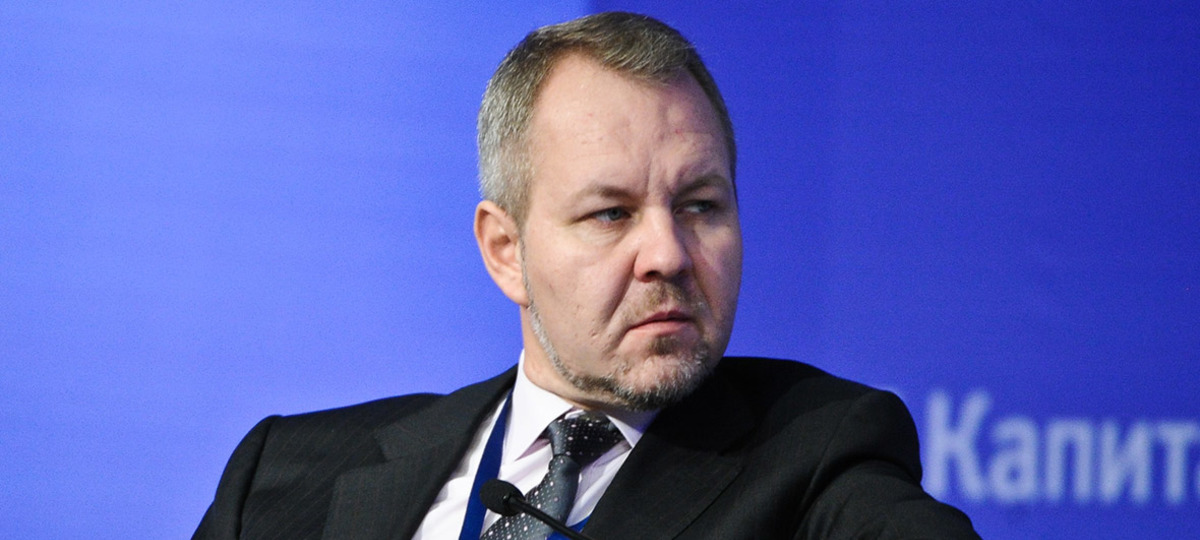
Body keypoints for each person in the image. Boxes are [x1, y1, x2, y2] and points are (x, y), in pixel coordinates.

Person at [194, 12, 979, 540]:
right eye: (611, 213)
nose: (668, 254)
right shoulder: (285, 474)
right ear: (506, 250)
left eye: (700, 206)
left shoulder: (814, 459)